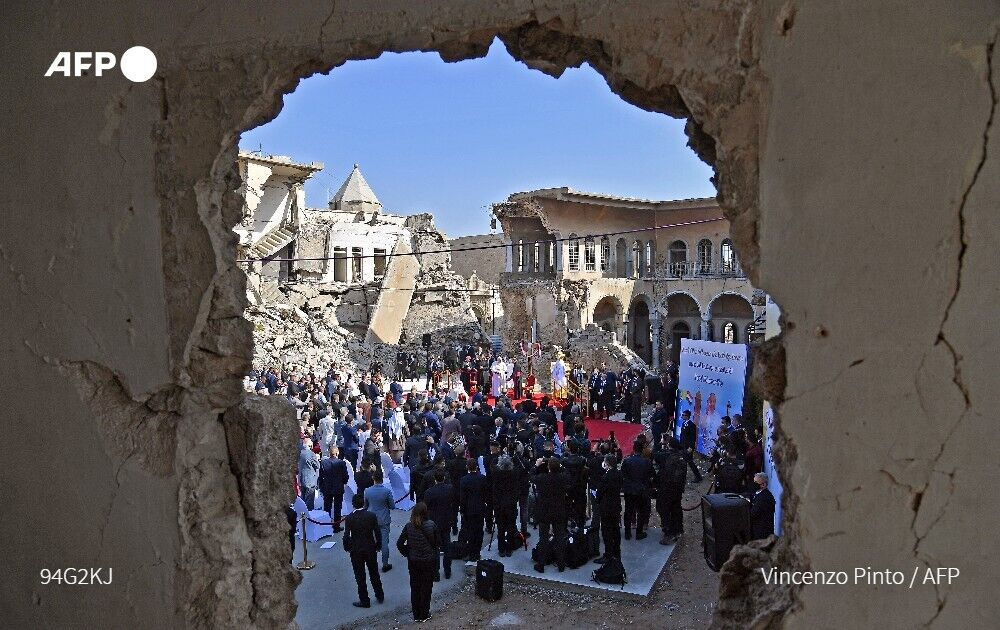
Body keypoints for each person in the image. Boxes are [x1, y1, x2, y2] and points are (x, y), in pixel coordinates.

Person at [396, 502, 442, 623]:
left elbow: (399, 543)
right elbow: (438, 543)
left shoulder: (409, 526)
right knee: (426, 588)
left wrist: (408, 553)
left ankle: (416, 614)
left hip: (414, 561)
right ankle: (424, 614)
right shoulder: (431, 525)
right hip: (428, 561)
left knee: (415, 587)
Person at [343, 494, 385, 608]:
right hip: (370, 547)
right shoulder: (371, 515)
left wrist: (347, 547)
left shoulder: (349, 518)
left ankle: (365, 600)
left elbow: (346, 535)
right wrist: (378, 545)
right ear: (364, 503)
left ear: (353, 504)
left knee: (360, 576)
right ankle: (379, 595)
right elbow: (377, 532)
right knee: (374, 573)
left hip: (356, 550)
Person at [532, 456, 570, 573]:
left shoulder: (542, 478)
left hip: (544, 512)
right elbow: (567, 473)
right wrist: (560, 466)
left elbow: (531, 477)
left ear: (548, 467)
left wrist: (536, 465)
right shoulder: (562, 478)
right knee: (559, 538)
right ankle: (561, 564)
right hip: (558, 511)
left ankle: (541, 564)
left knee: (543, 538)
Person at [654, 437, 687, 544]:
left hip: (666, 488)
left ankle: (669, 533)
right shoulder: (681, 456)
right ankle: (678, 530)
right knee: (676, 509)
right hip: (677, 489)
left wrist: (660, 444)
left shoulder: (666, 456)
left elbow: (654, 454)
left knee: (664, 509)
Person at [423, 469, 455, 579]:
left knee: (435, 549)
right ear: (444, 478)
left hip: (434, 522)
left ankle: (436, 573)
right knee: (447, 547)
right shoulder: (450, 489)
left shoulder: (429, 492)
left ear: (435, 479)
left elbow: (426, 508)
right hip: (446, 521)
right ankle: (447, 571)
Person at [621, 440, 654, 540]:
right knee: (641, 511)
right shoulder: (647, 462)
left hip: (629, 490)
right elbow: (652, 475)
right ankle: (639, 532)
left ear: (633, 449)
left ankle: (627, 533)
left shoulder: (627, 461)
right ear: (642, 449)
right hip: (642, 490)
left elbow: (623, 475)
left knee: (628, 511)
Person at [593, 454, 623, 564]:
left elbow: (600, 492)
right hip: (615, 505)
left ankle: (608, 554)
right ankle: (616, 552)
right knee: (615, 530)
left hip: (606, 507)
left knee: (607, 531)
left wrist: (597, 499)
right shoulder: (619, 474)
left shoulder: (606, 477)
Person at [364, 470, 395, 572]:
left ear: (373, 478)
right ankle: (385, 564)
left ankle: (372, 564)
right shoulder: (387, 491)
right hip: (384, 519)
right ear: (382, 478)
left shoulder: (367, 491)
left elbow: (365, 506)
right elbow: (392, 506)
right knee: (384, 543)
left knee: (371, 542)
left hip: (371, 520)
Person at [458, 458, 487, 561]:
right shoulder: (482, 478)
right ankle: (477, 552)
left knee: (470, 532)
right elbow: (485, 494)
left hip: (469, 510)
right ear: (477, 467)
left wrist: (462, 510)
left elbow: (463, 498)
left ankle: (471, 553)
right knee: (479, 531)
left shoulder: (464, 480)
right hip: (480, 508)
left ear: (467, 467)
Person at [491, 454, 520, 556]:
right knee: (511, 527)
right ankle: (509, 549)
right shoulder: (514, 473)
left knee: (501, 528)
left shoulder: (496, 473)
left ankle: (501, 549)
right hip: (511, 504)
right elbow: (518, 465)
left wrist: (498, 455)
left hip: (499, 505)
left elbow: (492, 464)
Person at [318, 445, 349, 532]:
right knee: (337, 507)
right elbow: (345, 476)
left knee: (327, 507)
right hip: (338, 488)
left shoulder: (323, 463)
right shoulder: (341, 463)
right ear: (337, 453)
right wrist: (343, 483)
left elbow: (320, 477)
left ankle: (327, 525)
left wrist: (321, 486)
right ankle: (336, 527)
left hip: (327, 487)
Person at [678, 410, 704, 482]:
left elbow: (693, 437)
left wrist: (691, 447)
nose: (682, 416)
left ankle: (698, 476)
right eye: (682, 415)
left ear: (687, 416)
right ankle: (683, 476)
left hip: (688, 447)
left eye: (684, 415)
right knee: (684, 461)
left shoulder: (691, 425)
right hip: (683, 445)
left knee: (690, 462)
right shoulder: (684, 423)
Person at [749, 473, 776, 540]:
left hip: (762, 534)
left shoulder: (764, 498)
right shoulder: (760, 494)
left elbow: (752, 514)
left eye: (756, 482)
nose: (753, 484)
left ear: (763, 485)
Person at [298, 439, 320, 511]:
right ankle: (308, 518)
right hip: (310, 481)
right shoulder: (311, 454)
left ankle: (303, 517)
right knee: (309, 503)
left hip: (301, 479)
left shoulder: (299, 453)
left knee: (303, 500)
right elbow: (317, 466)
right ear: (309, 445)